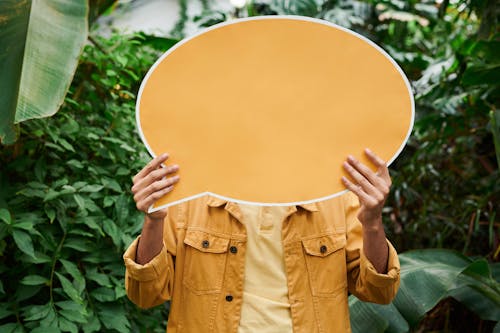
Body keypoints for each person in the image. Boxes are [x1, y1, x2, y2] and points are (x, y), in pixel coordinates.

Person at [123, 148, 400, 333]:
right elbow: (145, 294)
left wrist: (373, 221)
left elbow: (378, 292)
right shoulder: (190, 194)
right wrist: (154, 220)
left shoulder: (336, 195)